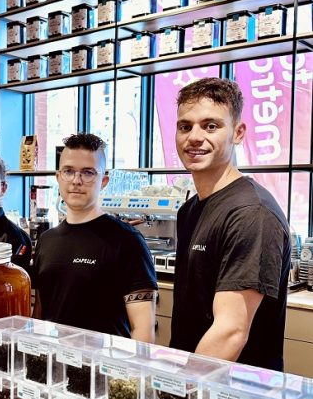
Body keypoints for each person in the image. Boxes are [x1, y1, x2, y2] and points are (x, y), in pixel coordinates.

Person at [170, 77, 291, 371]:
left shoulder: (252, 213)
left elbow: (230, 332)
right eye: (185, 126)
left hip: (237, 397)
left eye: (211, 126)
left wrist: (180, 394)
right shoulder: (189, 210)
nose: (194, 137)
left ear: (238, 132)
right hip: (198, 381)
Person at [33, 133, 157, 340]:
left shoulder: (127, 241)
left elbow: (143, 328)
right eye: (69, 171)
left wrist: (130, 373)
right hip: (54, 363)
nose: (76, 181)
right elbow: (40, 313)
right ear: (58, 177)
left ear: (104, 181)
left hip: (104, 367)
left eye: (88, 173)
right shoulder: (46, 240)